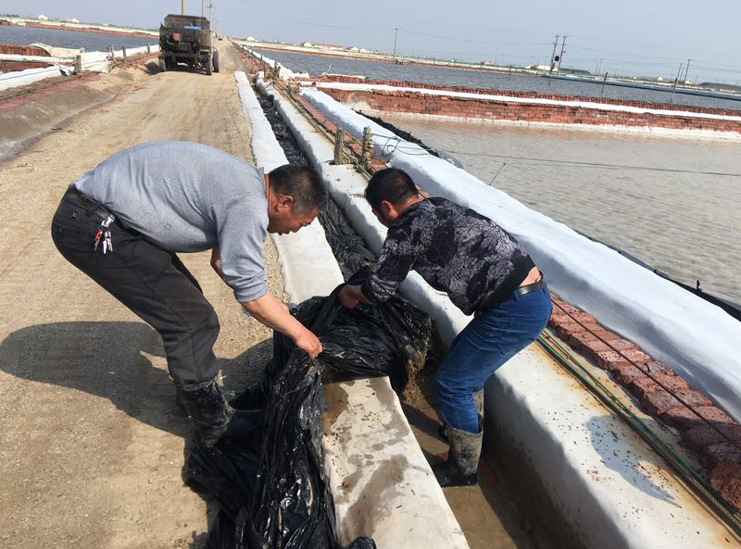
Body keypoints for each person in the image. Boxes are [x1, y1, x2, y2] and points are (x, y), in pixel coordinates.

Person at [51, 141, 325, 447]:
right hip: (94, 224)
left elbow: (224, 263)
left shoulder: (246, 183)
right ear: (284, 203)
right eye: (301, 223)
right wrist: (299, 332)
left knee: (188, 301)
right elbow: (250, 295)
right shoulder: (248, 203)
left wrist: (273, 307)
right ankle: (215, 425)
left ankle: (196, 401)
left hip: (102, 215)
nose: (295, 231)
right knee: (191, 321)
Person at [338, 168, 551, 487]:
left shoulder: (405, 229)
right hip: (528, 295)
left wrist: (351, 293)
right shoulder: (438, 205)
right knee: (465, 371)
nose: (380, 220)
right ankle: (467, 434)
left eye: (377, 214)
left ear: (386, 208)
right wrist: (384, 268)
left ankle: (463, 470)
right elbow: (418, 256)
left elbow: (377, 292)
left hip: (514, 309)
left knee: (453, 382)